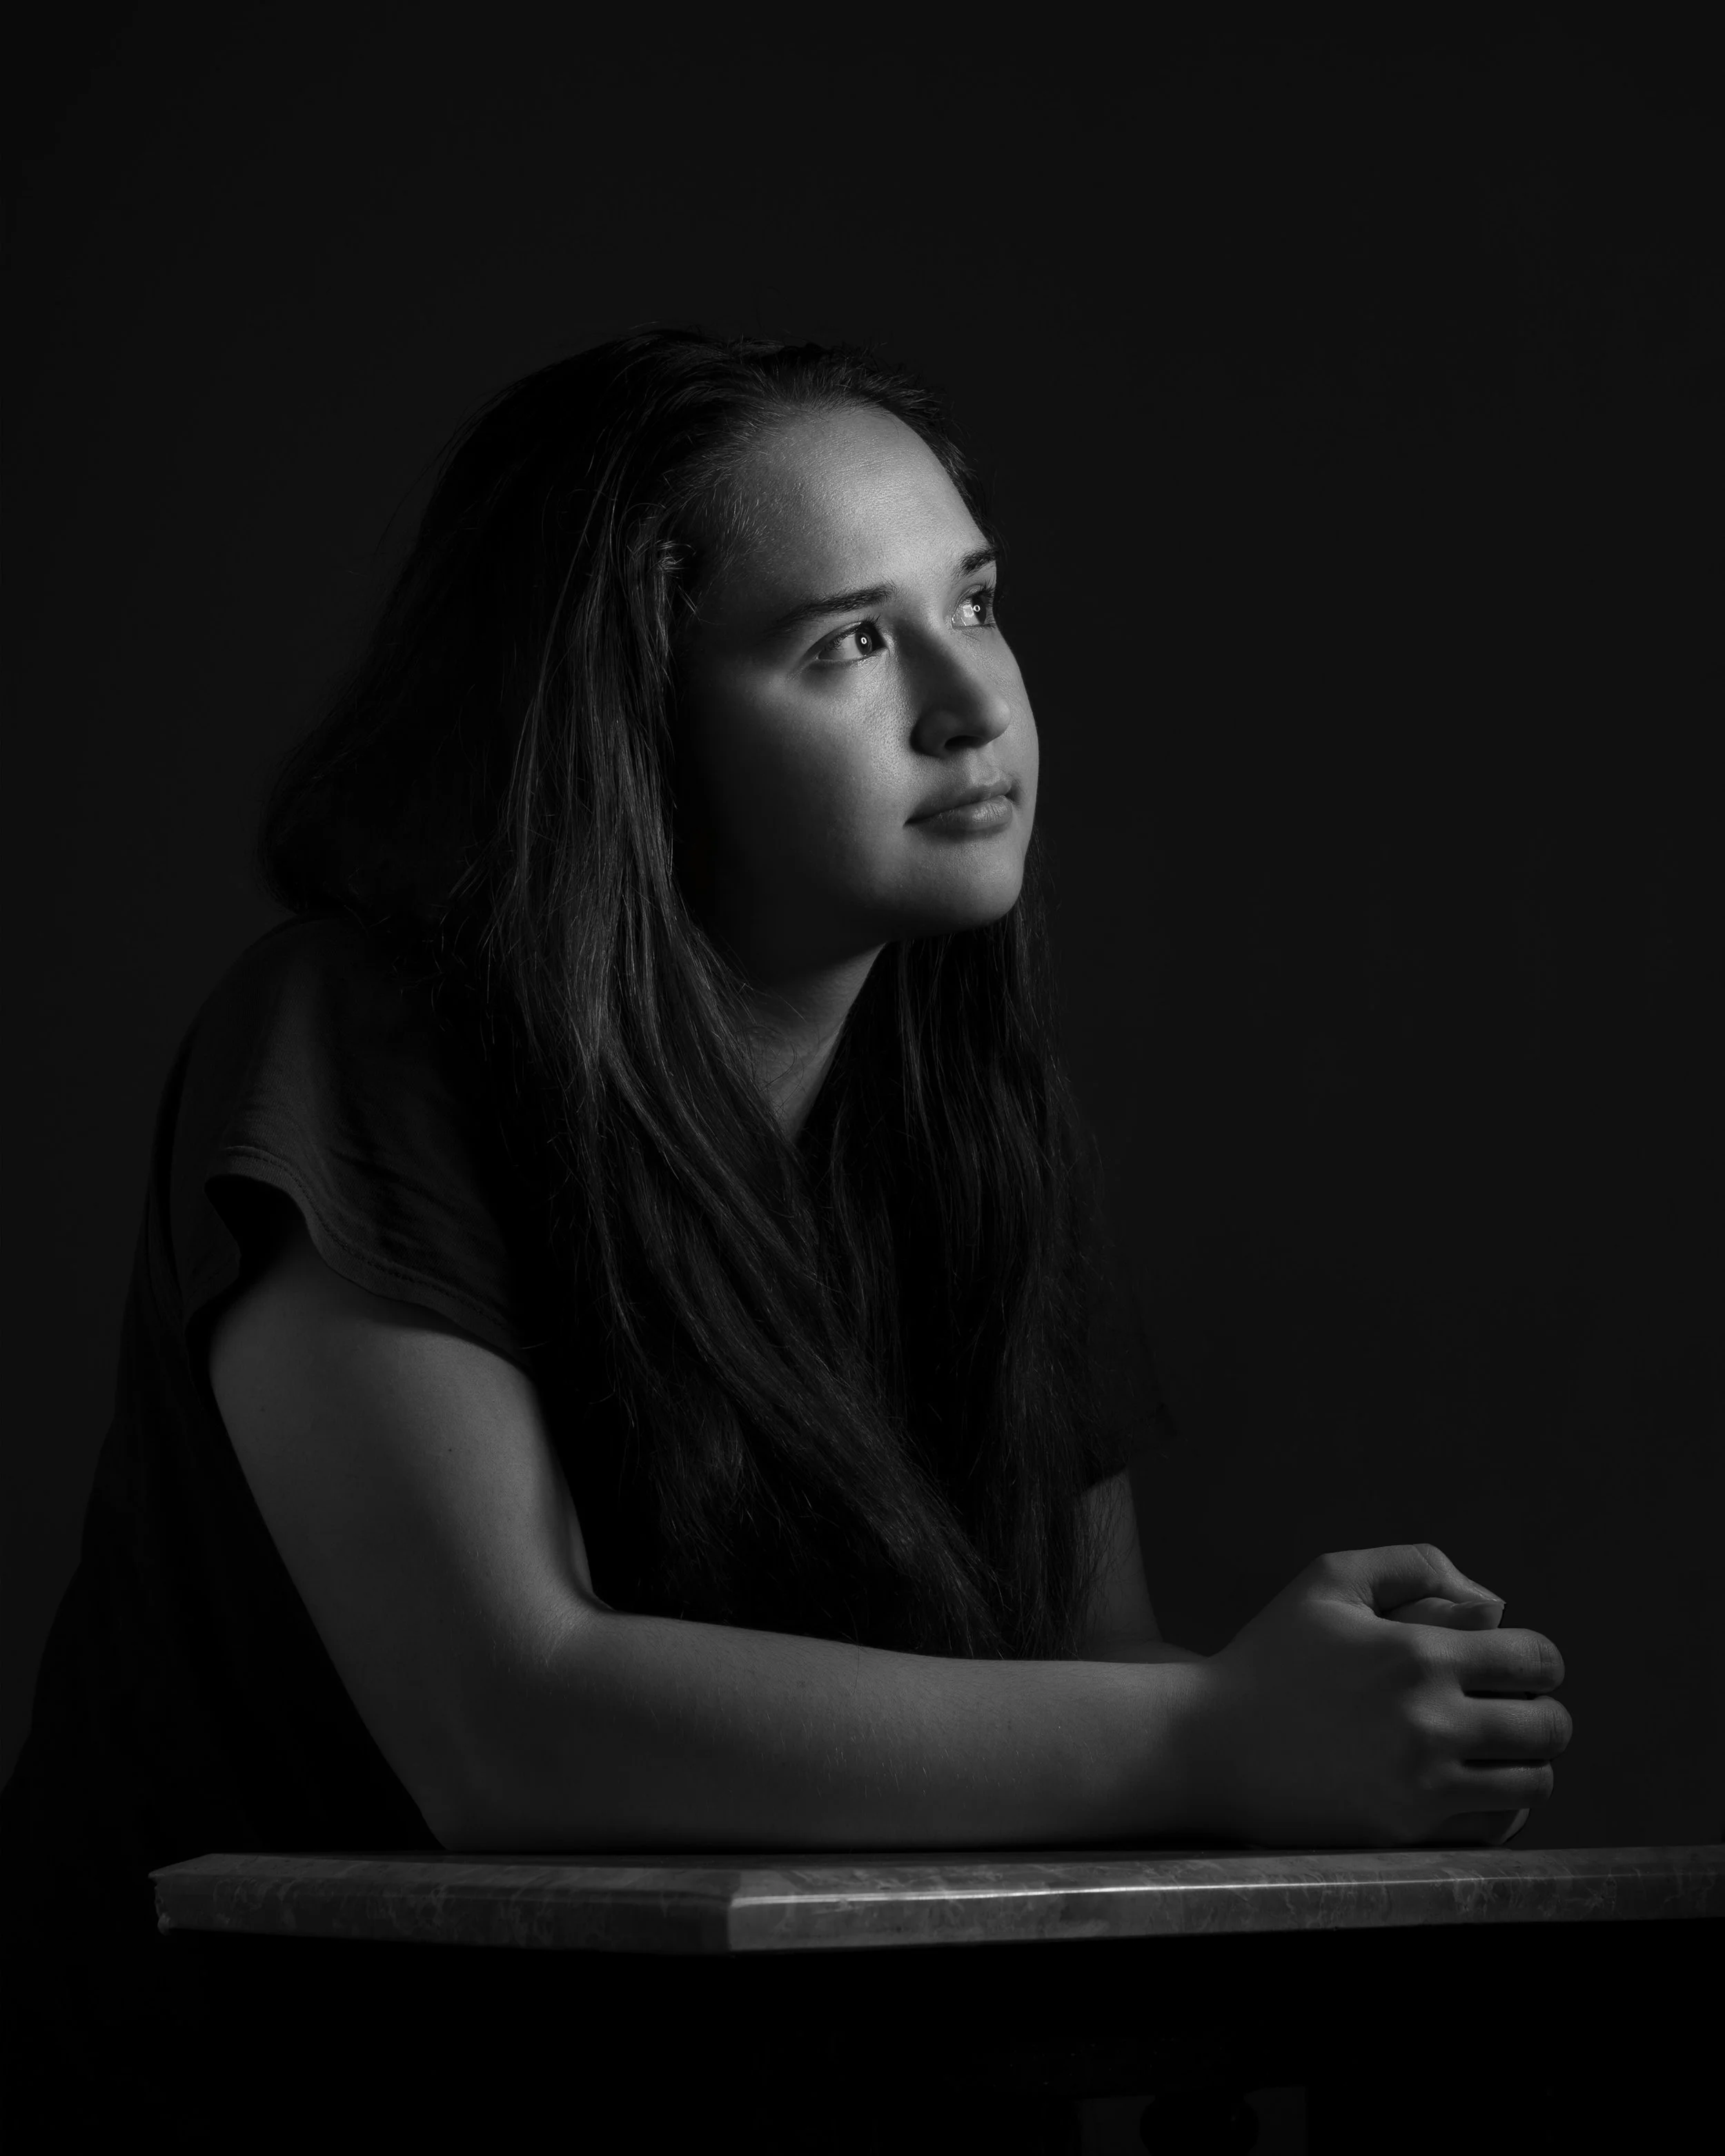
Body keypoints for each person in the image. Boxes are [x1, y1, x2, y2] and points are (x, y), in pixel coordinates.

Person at [1, 328, 1569, 2130]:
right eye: (847, 642)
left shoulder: (961, 1097)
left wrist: (1345, 1711)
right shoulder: (356, 1038)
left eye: (973, 602)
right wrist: (1214, 1731)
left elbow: (1073, 1680)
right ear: (625, 723)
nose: (971, 703)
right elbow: (508, 1717)